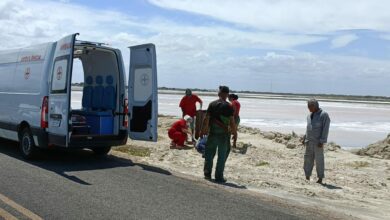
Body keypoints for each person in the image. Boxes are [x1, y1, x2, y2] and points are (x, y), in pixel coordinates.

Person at [200, 86, 237, 183]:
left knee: (209, 154)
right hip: (224, 135)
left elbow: (206, 119)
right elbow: (232, 122)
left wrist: (203, 130)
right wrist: (235, 133)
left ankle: (207, 173)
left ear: (220, 93)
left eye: (219, 91)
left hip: (212, 133)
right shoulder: (229, 106)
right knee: (222, 156)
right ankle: (219, 176)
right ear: (227, 94)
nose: (218, 92)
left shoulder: (212, 104)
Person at [302, 98, 330, 184]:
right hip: (309, 141)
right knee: (307, 159)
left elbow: (325, 129)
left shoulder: (324, 115)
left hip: (318, 143)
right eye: (308, 107)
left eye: (310, 107)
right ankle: (307, 176)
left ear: (316, 106)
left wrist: (322, 141)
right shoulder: (309, 116)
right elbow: (308, 128)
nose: (309, 108)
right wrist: (304, 138)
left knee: (319, 161)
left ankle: (320, 178)